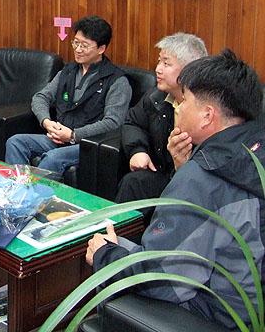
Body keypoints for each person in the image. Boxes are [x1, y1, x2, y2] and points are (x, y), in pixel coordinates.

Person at [86, 49, 264, 330]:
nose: (177, 109)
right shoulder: (252, 150)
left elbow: (162, 279)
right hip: (252, 304)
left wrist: (104, 255)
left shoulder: (202, 176)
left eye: (184, 100)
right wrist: (184, 167)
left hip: (220, 316)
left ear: (207, 115)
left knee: (107, 254)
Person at [5, 15, 132, 174]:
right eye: (76, 43)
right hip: (59, 137)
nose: (78, 50)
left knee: (53, 158)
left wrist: (73, 135)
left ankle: (33, 190)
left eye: (84, 46)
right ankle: (18, 186)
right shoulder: (68, 71)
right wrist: (46, 122)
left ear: (101, 49)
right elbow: (41, 97)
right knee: (16, 142)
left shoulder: (116, 80)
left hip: (86, 144)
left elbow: (114, 122)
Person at [115, 33, 208, 207]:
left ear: (189, 69)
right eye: (159, 62)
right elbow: (133, 122)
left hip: (193, 183)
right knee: (133, 183)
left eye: (166, 64)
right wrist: (137, 150)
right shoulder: (156, 97)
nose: (158, 69)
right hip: (162, 172)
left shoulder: (206, 109)